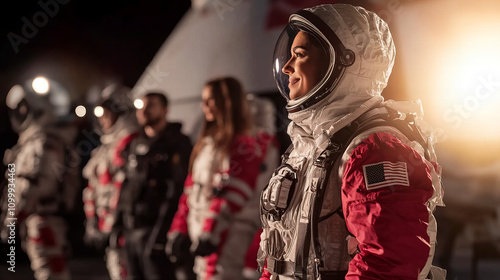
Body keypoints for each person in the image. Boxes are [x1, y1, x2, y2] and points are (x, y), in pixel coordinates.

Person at [258, 4, 445, 280]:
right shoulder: (311, 145)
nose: (287, 67)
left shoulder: (374, 150)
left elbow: (388, 262)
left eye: (299, 55)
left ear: (341, 61)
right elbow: (281, 255)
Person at [166, 77, 262, 280]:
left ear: (228, 101)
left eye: (211, 99)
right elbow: (190, 191)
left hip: (228, 239)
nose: (205, 105)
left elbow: (233, 193)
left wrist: (210, 233)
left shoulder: (244, 143)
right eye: (203, 100)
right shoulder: (206, 143)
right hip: (204, 239)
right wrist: (179, 229)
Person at [1, 76, 80, 280]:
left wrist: (12, 218)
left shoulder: (44, 142)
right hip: (38, 218)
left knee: (51, 273)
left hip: (44, 218)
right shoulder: (36, 141)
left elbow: (37, 183)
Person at [115, 92, 193, 280]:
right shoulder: (134, 143)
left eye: (151, 105)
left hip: (156, 229)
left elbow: (178, 191)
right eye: (141, 106)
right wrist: (117, 226)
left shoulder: (177, 143)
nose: (144, 111)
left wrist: (161, 235)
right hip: (131, 228)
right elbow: (126, 185)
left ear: (165, 110)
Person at [82, 84, 138, 280]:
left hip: (123, 227)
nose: (102, 119)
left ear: (121, 112)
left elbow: (125, 187)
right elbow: (93, 186)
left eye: (107, 114)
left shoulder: (130, 142)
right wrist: (92, 220)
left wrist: (114, 224)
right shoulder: (107, 145)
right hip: (107, 225)